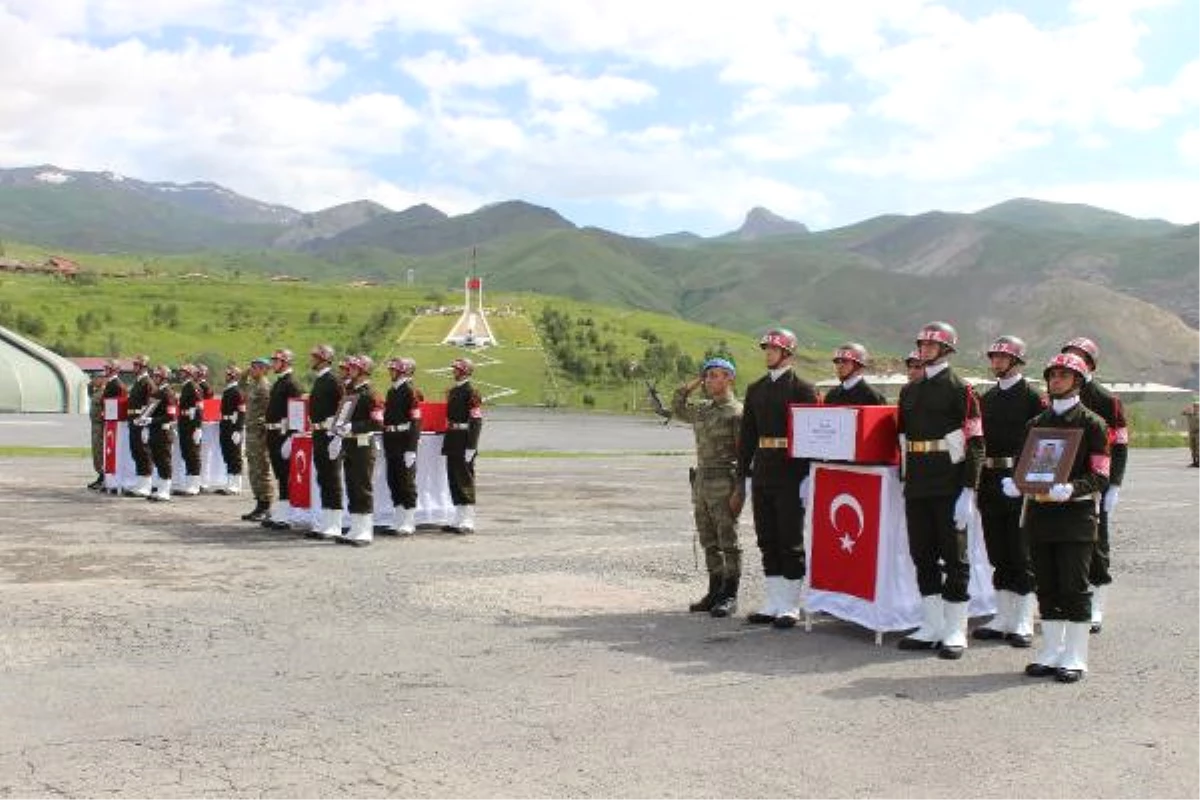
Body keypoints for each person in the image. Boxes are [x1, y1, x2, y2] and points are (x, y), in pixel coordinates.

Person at [1002, 352, 1109, 683]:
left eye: (1063, 375)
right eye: (1052, 375)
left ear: (1077, 381)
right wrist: (1015, 483)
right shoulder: (1035, 425)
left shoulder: (1093, 423)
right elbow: (1024, 466)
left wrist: (1074, 488)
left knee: (1073, 587)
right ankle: (1051, 651)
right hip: (1040, 516)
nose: (1056, 380)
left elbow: (1101, 475)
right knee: (1046, 585)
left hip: (1075, 519)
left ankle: (1075, 655)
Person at [895, 321, 985, 659]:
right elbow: (903, 439)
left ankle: (955, 628)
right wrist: (903, 475)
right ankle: (931, 624)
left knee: (955, 557)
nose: (924, 350)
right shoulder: (909, 391)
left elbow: (975, 443)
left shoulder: (961, 390)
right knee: (923, 555)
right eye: (922, 345)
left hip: (949, 483)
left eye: (932, 346)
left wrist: (968, 490)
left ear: (946, 349)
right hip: (917, 481)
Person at [737, 328, 820, 629]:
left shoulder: (803, 389)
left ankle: (790, 605)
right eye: (766, 349)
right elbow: (747, 436)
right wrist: (744, 474)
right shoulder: (755, 389)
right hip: (763, 470)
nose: (768, 353)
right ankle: (773, 602)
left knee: (790, 538)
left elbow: (812, 437)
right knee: (766, 537)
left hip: (791, 471)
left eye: (773, 349)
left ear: (787, 353)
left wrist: (808, 475)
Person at [973, 335, 1046, 647]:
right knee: (998, 551)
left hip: (1018, 480)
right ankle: (1002, 615)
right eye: (994, 358)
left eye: (1002, 358)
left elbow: (1042, 440)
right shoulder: (986, 399)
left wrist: (1025, 479)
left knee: (1020, 552)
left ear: (1016, 361)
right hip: (989, 477)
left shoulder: (1032, 397)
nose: (996, 363)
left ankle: (1024, 619)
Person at [1061, 337, 1127, 633]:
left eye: (1079, 356)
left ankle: (1096, 604)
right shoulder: (1056, 394)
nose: (1072, 361)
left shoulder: (1106, 400)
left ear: (1090, 364)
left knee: (1096, 542)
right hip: (1063, 481)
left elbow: (1120, 445)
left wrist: (1114, 485)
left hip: (1095, 480)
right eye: (1068, 355)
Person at [672, 357, 744, 617]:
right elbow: (677, 407)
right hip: (701, 481)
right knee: (708, 540)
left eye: (717, 375)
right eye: (708, 375)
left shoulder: (736, 412)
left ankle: (730, 594)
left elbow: (744, 456)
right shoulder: (703, 410)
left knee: (728, 540)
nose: (711, 380)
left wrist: (740, 490)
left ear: (729, 378)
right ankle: (714, 590)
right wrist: (693, 383)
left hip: (725, 481)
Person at [334, 355, 383, 547]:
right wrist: (338, 432)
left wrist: (354, 427)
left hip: (363, 444)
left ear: (363, 370)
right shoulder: (350, 391)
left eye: (354, 368)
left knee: (362, 486)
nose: (350, 370)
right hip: (350, 444)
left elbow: (378, 423)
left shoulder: (371, 393)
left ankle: (365, 530)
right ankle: (355, 527)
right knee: (352, 485)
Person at [306, 344, 346, 541]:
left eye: (315, 357)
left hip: (330, 434)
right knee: (324, 479)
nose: (312, 360)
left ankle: (336, 524)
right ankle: (327, 521)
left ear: (324, 359)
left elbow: (345, 406)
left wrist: (337, 434)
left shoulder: (333, 381)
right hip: (319, 433)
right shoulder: (321, 380)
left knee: (332, 479)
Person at [382, 357, 423, 536]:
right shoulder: (392, 391)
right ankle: (398, 518)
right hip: (392, 439)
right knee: (394, 480)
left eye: (394, 370)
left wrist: (412, 448)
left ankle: (409, 520)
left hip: (405, 439)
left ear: (403, 371)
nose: (390, 373)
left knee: (406, 482)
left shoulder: (410, 391)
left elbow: (416, 420)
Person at [442, 357, 484, 534]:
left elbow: (476, 419)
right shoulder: (453, 391)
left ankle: (468, 520)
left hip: (464, 438)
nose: (454, 372)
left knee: (465, 479)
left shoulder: (471, 391)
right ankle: (458, 518)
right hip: (452, 437)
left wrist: (472, 446)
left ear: (466, 371)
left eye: (458, 369)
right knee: (453, 478)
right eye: (455, 369)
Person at [263, 349, 302, 530]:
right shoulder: (280, 382)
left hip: (283, 434)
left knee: (286, 474)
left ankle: (287, 514)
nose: (273, 364)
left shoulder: (291, 383)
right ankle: (283, 509)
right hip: (273, 433)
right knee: (280, 473)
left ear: (285, 362)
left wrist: (293, 435)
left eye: (276, 361)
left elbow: (297, 412)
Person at [241, 357, 275, 521]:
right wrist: (243, 374)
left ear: (264, 369)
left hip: (260, 433)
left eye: (255, 367)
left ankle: (266, 505)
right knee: (253, 468)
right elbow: (241, 388)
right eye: (251, 366)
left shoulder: (265, 386)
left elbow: (270, 410)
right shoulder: (254, 384)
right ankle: (259, 504)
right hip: (251, 431)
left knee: (262, 469)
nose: (252, 369)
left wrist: (263, 428)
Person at [146, 365, 178, 503]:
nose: (155, 378)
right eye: (154, 376)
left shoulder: (168, 393)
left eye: (157, 376)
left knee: (164, 461)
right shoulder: (159, 391)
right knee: (158, 460)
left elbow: (170, 416)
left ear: (164, 378)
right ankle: (160, 488)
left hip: (164, 432)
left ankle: (165, 490)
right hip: (156, 430)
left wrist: (151, 419)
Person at [125, 354, 154, 498]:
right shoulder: (138, 381)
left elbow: (151, 405)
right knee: (136, 452)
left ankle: (146, 485)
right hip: (134, 420)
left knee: (144, 453)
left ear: (143, 367)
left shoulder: (147, 382)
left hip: (141, 422)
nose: (134, 367)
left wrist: (144, 424)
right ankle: (141, 482)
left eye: (136, 365)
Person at [823, 343, 887, 406]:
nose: (840, 366)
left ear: (857, 366)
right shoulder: (831, 396)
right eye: (837, 362)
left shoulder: (872, 396)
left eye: (845, 361)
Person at [216, 364, 246, 496]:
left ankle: (236, 485)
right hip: (226, 424)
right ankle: (230, 483)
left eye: (228, 374)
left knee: (235, 455)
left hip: (233, 426)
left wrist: (238, 429)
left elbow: (242, 411)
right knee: (227, 454)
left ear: (234, 376)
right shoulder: (228, 390)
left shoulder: (237, 391)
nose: (226, 376)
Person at [175, 364, 203, 497]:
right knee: (186, 452)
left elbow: (199, 408)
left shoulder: (193, 386)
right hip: (184, 423)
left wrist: (198, 427)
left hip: (191, 424)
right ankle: (189, 482)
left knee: (193, 453)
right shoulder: (186, 386)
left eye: (184, 372)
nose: (181, 374)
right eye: (181, 372)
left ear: (190, 374)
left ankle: (195, 484)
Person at [1184, 401, 1200, 467]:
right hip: (1192, 433)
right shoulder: (1190, 414)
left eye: (1197, 406)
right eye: (1194, 406)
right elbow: (1183, 412)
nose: (1195, 407)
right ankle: (1194, 462)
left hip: (1198, 432)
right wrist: (1187, 410)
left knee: (1198, 447)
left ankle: (1199, 461)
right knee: (1192, 447)